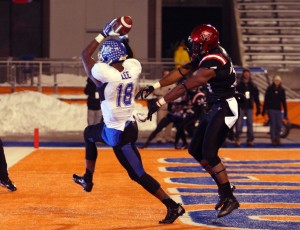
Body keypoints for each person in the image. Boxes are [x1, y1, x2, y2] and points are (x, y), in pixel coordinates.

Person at [72, 18, 185, 224]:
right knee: (91, 134)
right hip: (130, 125)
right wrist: (123, 37)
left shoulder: (104, 75)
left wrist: (103, 33)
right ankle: (87, 179)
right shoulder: (132, 68)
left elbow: (84, 56)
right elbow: (129, 56)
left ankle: (172, 206)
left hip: (115, 133)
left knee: (137, 173)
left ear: (106, 57)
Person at [136, 24, 240, 218]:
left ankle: (228, 195)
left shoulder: (215, 60)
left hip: (226, 106)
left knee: (209, 153)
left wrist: (159, 102)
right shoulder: (209, 54)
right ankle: (224, 186)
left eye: (197, 45)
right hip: (216, 105)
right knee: (195, 150)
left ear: (207, 44)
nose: (193, 48)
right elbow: (182, 71)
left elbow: (187, 85)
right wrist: (155, 85)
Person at [234, 68, 261, 147]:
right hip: (240, 106)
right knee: (239, 124)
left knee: (250, 124)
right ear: (243, 74)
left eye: (247, 73)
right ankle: (237, 138)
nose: (246, 75)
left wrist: (258, 106)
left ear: (249, 74)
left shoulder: (252, 85)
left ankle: (250, 139)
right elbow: (235, 95)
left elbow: (256, 96)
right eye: (245, 73)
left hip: (249, 107)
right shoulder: (239, 85)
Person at [262, 75, 288, 146]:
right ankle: (273, 139)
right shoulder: (269, 89)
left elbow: (283, 101)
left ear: (280, 82)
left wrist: (285, 112)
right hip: (271, 109)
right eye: (276, 80)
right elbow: (266, 100)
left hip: (278, 110)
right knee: (273, 124)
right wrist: (264, 110)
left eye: (278, 81)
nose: (277, 82)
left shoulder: (282, 90)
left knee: (279, 125)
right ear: (273, 81)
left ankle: (278, 138)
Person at [152, 69, 175, 144]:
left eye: (168, 74)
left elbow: (175, 93)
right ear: (163, 75)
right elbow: (155, 91)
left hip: (170, 106)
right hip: (161, 106)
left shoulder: (173, 83)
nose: (167, 76)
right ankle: (159, 138)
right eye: (165, 74)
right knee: (160, 122)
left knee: (170, 123)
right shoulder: (159, 83)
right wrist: (165, 93)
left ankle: (168, 137)